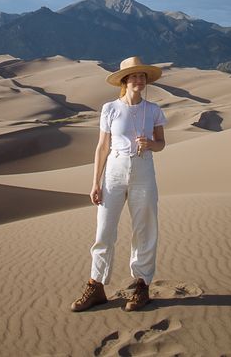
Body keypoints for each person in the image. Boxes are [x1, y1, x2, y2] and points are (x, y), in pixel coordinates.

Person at [71, 56, 166, 312]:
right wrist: (95, 182)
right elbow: (102, 146)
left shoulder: (154, 110)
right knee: (104, 230)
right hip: (113, 170)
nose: (139, 80)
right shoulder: (110, 108)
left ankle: (142, 285)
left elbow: (161, 143)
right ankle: (96, 285)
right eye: (134, 76)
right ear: (124, 80)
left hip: (144, 169)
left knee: (144, 229)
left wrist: (150, 144)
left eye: (142, 76)